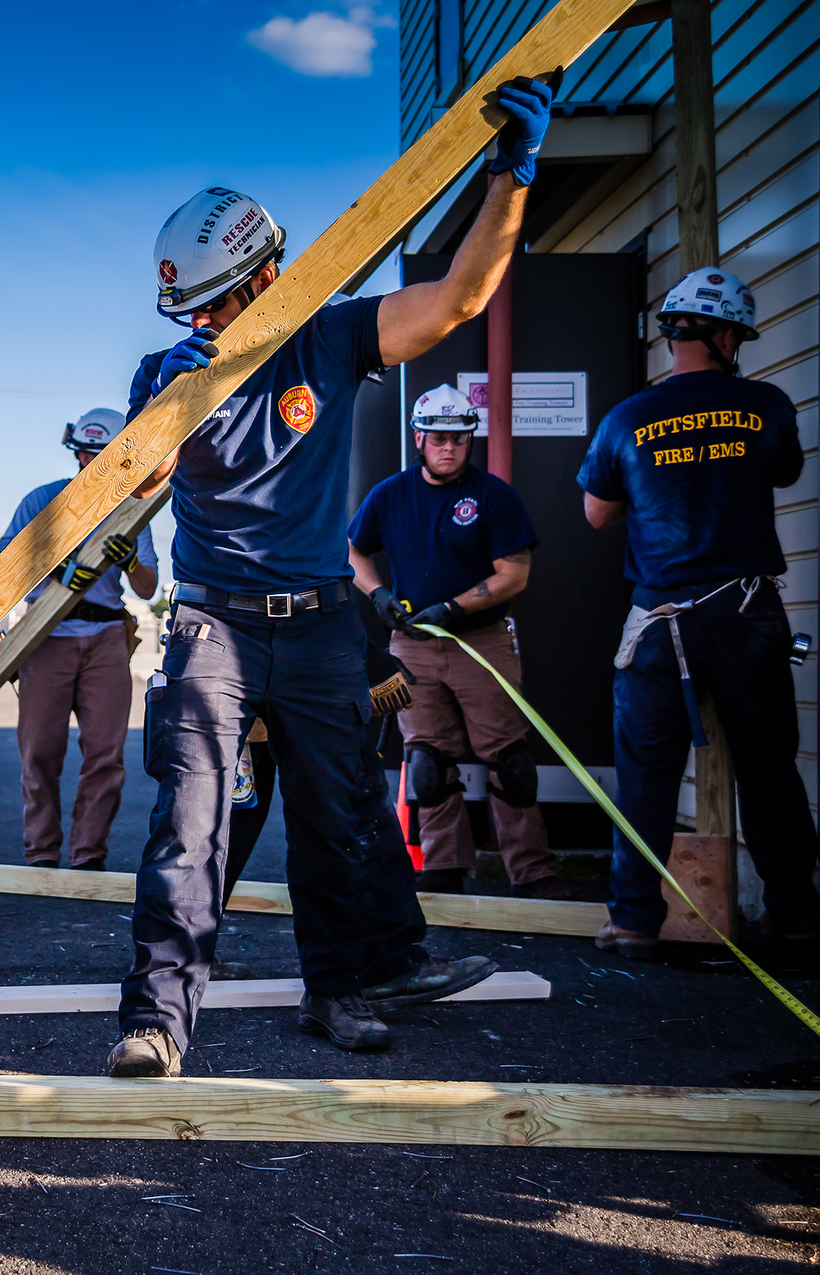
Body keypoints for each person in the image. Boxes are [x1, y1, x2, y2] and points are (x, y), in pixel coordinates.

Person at [105, 73, 555, 1077]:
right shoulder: (171, 370)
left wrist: (509, 178)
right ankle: (157, 1019)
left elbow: (457, 300)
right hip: (211, 624)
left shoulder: (334, 334)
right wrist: (164, 417)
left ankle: (338, 990)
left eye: (217, 302)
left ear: (266, 277)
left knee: (339, 817)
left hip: (315, 624)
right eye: (191, 308)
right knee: (190, 820)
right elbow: (135, 480)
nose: (204, 321)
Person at [579, 266, 817, 958]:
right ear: (723, 335)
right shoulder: (765, 404)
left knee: (647, 778)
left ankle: (632, 923)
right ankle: (797, 919)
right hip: (747, 612)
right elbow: (785, 472)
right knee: (770, 769)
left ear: (673, 333)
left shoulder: (626, 418)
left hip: (661, 621)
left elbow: (596, 513)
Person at [348, 384, 575, 900]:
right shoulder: (390, 494)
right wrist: (379, 594)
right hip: (413, 647)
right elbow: (353, 552)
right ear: (418, 438)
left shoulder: (493, 496)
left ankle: (532, 870)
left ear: (470, 439)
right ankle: (445, 866)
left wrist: (453, 607)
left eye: (458, 437)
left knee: (510, 763)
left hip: (482, 641)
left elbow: (514, 574)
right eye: (437, 437)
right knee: (428, 762)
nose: (448, 447)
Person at [0, 409, 160, 870]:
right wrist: (63, 575)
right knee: (40, 753)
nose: (91, 463)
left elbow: (147, 587)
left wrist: (129, 561)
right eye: (84, 453)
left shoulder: (131, 508)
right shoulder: (42, 503)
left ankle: (88, 856)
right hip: (46, 635)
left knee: (106, 756)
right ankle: (42, 853)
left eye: (99, 454)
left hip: (106, 635)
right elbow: (4, 573)